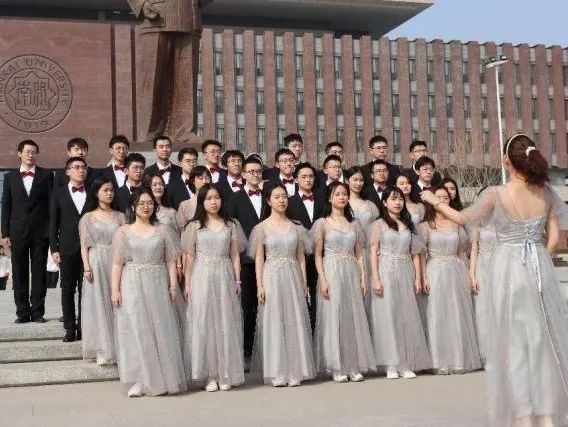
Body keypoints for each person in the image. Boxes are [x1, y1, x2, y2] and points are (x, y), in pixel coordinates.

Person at [420, 134, 568, 426]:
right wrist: (538, 257)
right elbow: (555, 239)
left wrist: (433, 201)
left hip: (509, 269)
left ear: (506, 160)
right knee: (541, 342)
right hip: (538, 267)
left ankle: (524, 415)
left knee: (514, 345)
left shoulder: (497, 194)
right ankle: (547, 415)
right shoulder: (547, 192)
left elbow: (462, 218)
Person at [111, 188, 186, 397]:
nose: (146, 207)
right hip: (131, 283)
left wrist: (173, 286)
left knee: (160, 329)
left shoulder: (163, 230)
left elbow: (170, 261)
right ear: (133, 206)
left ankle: (164, 378)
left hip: (158, 283)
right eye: (141, 203)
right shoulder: (122, 232)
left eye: (150, 203)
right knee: (136, 329)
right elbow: (117, 264)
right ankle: (139, 380)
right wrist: (115, 290)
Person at [249, 183, 315, 387]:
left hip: (293, 275)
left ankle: (295, 370)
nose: (282, 200)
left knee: (294, 319)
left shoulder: (297, 227)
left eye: (284, 196)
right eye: (277, 197)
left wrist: (304, 283)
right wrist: (260, 285)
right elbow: (259, 259)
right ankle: (276, 371)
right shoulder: (261, 228)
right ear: (268, 201)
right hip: (271, 276)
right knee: (274, 321)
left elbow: (301, 257)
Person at [181, 184, 246, 392]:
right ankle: (209, 374)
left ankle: (225, 372)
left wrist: (237, 280)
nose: (213, 202)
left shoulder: (231, 224)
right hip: (201, 276)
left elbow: (235, 255)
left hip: (224, 274)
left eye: (216, 197)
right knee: (205, 323)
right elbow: (190, 257)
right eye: (209, 198)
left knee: (226, 322)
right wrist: (187, 284)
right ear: (202, 201)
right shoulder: (194, 226)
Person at [312, 182, 375, 382]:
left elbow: (359, 254)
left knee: (353, 316)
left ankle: (353, 365)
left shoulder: (354, 224)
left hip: (351, 271)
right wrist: (323, 280)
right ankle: (336, 366)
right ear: (329, 198)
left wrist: (363, 278)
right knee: (334, 316)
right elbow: (318, 255)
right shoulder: (322, 223)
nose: (342, 197)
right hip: (331, 270)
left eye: (344, 194)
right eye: (337, 194)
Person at [368, 187, 431, 379]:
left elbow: (415, 253)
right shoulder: (379, 224)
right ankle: (391, 363)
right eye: (393, 199)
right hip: (385, 270)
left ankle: (406, 362)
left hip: (405, 270)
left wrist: (418, 278)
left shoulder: (408, 224)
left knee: (406, 315)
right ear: (384, 202)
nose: (397, 203)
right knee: (388, 315)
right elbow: (373, 252)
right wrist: (376, 278)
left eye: (400, 199)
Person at [418, 187, 481, 375]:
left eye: (445, 198)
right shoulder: (425, 226)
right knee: (437, 314)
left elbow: (462, 252)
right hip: (434, 270)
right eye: (438, 197)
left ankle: (459, 359)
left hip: (456, 270)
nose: (442, 200)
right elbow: (422, 254)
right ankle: (439, 361)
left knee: (456, 313)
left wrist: (469, 275)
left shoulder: (457, 224)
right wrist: (423, 276)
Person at [2, 140, 53, 322]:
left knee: (39, 273)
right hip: (17, 232)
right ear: (19, 153)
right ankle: (22, 312)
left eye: (33, 152)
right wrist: (5, 234)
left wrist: (51, 230)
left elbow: (51, 204)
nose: (30, 155)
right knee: (19, 273)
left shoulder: (46, 175)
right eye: (27, 152)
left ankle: (38, 312)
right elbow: (6, 206)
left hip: (41, 232)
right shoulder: (10, 177)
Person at [79, 177, 125, 365]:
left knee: (118, 302)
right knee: (98, 303)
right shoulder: (87, 217)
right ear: (96, 193)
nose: (109, 193)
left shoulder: (120, 216)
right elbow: (84, 245)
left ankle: (120, 347)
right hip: (96, 260)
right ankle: (102, 348)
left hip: (116, 260)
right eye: (105, 190)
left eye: (111, 190)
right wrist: (86, 267)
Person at [226, 157, 265, 364]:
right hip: (246, 260)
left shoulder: (270, 196)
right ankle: (248, 351)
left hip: (270, 258)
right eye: (251, 172)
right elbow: (231, 229)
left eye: (258, 171)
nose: (255, 175)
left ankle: (267, 350)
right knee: (248, 306)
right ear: (243, 174)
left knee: (269, 304)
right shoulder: (234, 199)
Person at [50, 157, 90, 342]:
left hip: (89, 250)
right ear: (67, 171)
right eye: (76, 167)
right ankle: (69, 328)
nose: (80, 170)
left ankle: (83, 327)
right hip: (67, 248)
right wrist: (54, 249)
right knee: (67, 289)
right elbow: (53, 223)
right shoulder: (58, 193)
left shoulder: (93, 192)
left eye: (83, 167)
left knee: (86, 290)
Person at [286, 162, 324, 331]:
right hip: (297, 255)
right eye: (304, 177)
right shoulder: (289, 202)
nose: (308, 180)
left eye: (311, 176)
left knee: (319, 293)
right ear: (296, 179)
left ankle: (318, 331)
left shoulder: (323, 199)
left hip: (321, 255)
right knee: (299, 293)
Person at [468, 188, 496, 366]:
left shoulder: (505, 220)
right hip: (482, 267)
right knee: (483, 310)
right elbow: (474, 250)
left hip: (501, 265)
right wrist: (472, 274)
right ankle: (486, 354)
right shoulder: (475, 222)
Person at [345, 166, 380, 308]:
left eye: (361, 180)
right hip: (349, 254)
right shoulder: (342, 203)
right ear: (347, 180)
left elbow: (377, 230)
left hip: (369, 253)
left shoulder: (370, 205)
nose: (358, 183)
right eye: (355, 180)